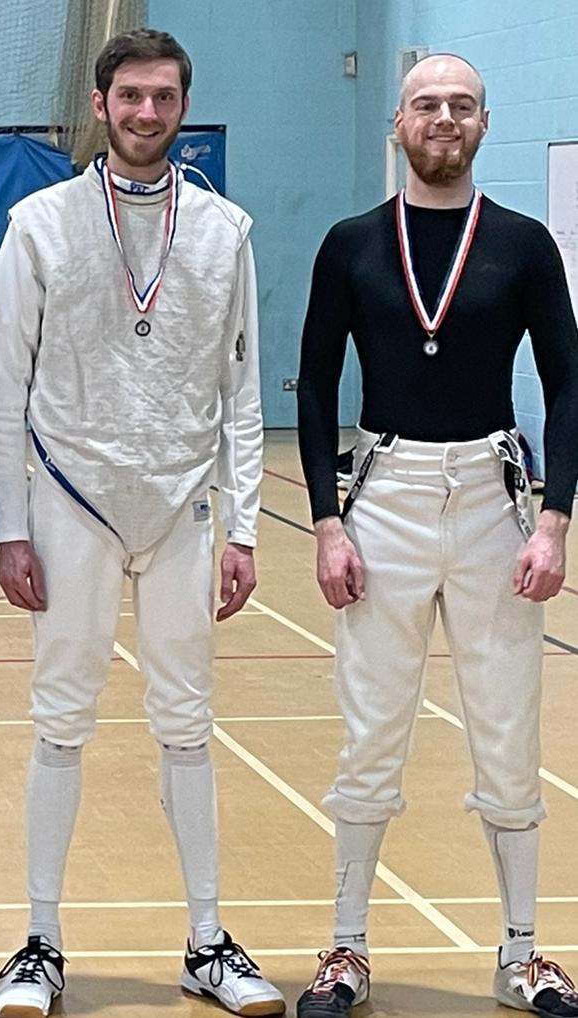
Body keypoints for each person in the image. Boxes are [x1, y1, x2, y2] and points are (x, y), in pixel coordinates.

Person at [0, 28, 284, 1018]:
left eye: (163, 97)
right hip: (73, 496)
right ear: (101, 105)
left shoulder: (226, 229)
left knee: (186, 721)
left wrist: (244, 527)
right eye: (130, 97)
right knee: (60, 720)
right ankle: (39, 940)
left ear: (181, 107)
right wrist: (10, 527)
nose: (147, 113)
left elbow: (243, 387)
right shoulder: (38, 223)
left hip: (184, 501)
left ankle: (206, 939)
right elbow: (1, 385)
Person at [294, 53, 578, 1018]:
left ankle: (524, 954)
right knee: (371, 735)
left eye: (461, 105)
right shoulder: (351, 243)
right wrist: (327, 524)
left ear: (485, 124)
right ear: (399, 125)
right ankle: (346, 949)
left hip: (494, 504)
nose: (443, 118)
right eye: (427, 104)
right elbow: (319, 384)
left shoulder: (526, 245)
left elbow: (570, 384)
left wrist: (554, 519)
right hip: (384, 497)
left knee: (508, 732)